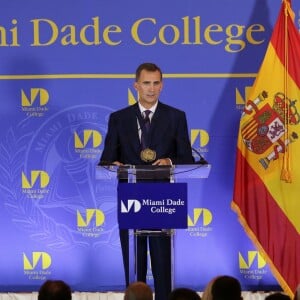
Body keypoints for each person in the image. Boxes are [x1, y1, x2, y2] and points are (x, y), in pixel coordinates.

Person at [99, 62, 195, 300]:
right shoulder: (119, 119)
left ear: (162, 85)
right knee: (134, 263)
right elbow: (107, 159)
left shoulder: (176, 117)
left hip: (164, 199)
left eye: (155, 83)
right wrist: (114, 165)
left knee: (163, 264)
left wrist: (169, 161)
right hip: (131, 198)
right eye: (146, 83)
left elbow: (186, 157)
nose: (151, 89)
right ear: (136, 86)